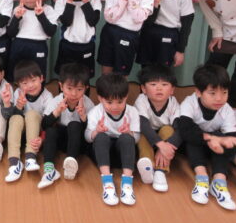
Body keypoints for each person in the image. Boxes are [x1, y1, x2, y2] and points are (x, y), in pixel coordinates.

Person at [178, 64, 236, 211]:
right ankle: (201, 178)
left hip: (213, 148)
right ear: (198, 92)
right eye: (212, 93)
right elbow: (185, 131)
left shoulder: (227, 110)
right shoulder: (189, 103)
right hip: (192, 145)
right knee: (194, 134)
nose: (219, 98)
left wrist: (222, 143)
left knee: (222, 138)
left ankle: (219, 182)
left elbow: (233, 142)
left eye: (224, 92)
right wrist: (210, 139)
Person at [85, 73, 141, 206]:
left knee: (127, 138)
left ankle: (127, 183)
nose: (115, 107)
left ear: (126, 97)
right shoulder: (95, 112)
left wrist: (129, 132)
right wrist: (96, 131)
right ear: (100, 98)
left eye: (120, 101)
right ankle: (107, 183)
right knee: (101, 137)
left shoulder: (132, 112)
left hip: (123, 156)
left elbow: (137, 139)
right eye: (109, 102)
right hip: (102, 155)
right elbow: (87, 137)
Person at [39, 63, 95, 189]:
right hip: (61, 140)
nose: (74, 93)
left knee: (74, 124)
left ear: (86, 88)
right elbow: (44, 125)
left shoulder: (88, 103)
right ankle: (49, 169)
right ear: (61, 86)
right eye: (69, 88)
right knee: (51, 130)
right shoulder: (56, 101)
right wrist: (57, 112)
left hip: (78, 143)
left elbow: (90, 132)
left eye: (79, 89)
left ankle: (71, 162)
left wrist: (83, 117)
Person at [97, 0, 153, 76]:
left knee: (122, 73)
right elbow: (110, 18)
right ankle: (104, 89)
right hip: (109, 32)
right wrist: (122, 0)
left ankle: (120, 90)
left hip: (129, 36)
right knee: (106, 70)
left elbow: (139, 18)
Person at [2, 60, 53, 183]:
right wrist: (19, 106)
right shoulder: (18, 93)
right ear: (18, 84)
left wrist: (42, 138)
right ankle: (14, 162)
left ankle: (30, 157)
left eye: (33, 80)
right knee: (15, 117)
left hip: (36, 135)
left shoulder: (47, 97)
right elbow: (13, 118)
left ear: (41, 78)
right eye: (25, 83)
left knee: (32, 114)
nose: (30, 85)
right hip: (21, 134)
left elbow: (49, 123)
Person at [134, 64, 182, 192]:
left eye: (165, 85)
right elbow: (143, 124)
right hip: (147, 134)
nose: (159, 88)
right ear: (143, 88)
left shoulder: (173, 103)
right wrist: (160, 144)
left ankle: (161, 170)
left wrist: (166, 146)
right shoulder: (141, 100)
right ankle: (148, 166)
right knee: (141, 135)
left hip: (164, 138)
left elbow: (180, 128)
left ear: (172, 90)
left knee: (168, 129)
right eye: (153, 84)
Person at [54, 0, 101, 79]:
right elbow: (66, 22)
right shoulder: (61, 1)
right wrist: (70, 2)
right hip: (67, 46)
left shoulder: (94, 1)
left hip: (87, 46)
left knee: (85, 78)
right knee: (65, 77)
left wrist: (86, 3)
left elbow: (93, 21)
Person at [6, 0, 58, 81]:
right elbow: (10, 33)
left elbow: (51, 32)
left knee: (38, 75)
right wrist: (16, 18)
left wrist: (41, 15)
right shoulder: (17, 10)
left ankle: (39, 91)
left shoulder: (47, 10)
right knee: (18, 75)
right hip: (19, 46)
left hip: (38, 46)